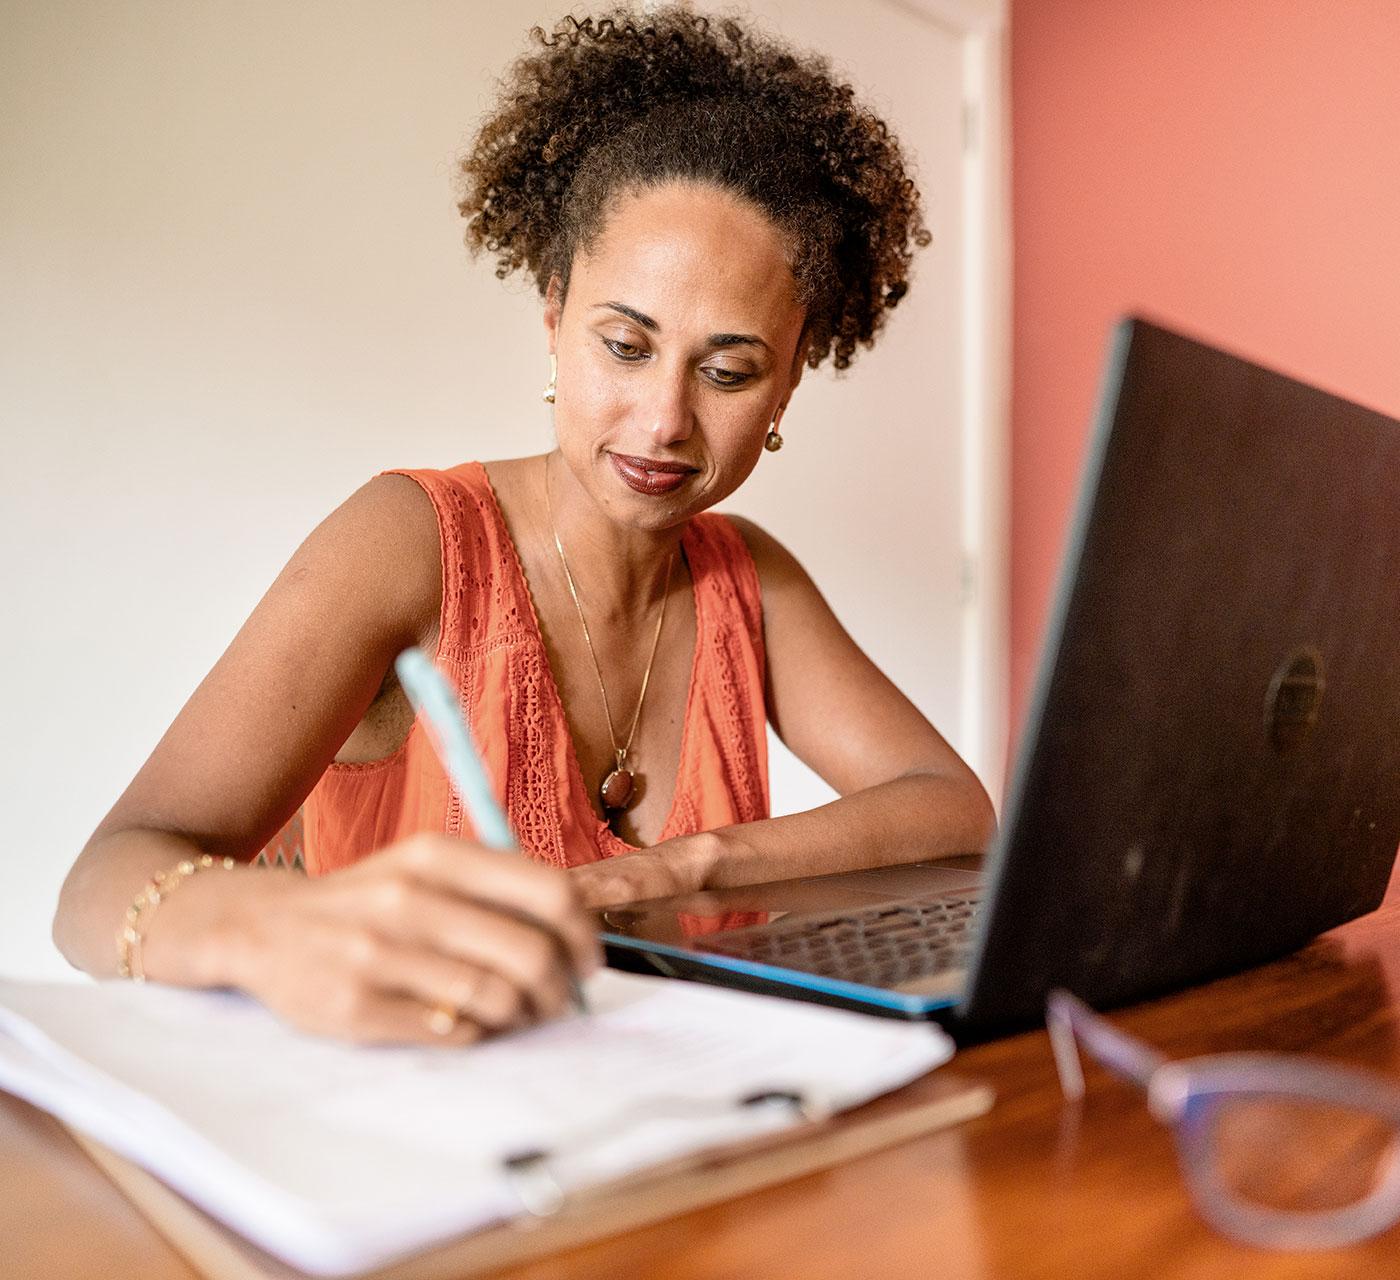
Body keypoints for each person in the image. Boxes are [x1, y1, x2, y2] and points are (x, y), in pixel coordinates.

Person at [52, 6, 995, 1046]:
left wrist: (688, 864)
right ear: (553, 320)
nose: (664, 419)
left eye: (728, 371)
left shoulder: (747, 578)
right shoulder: (408, 542)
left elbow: (952, 805)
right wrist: (282, 931)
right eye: (623, 345)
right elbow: (99, 888)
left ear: (787, 383)